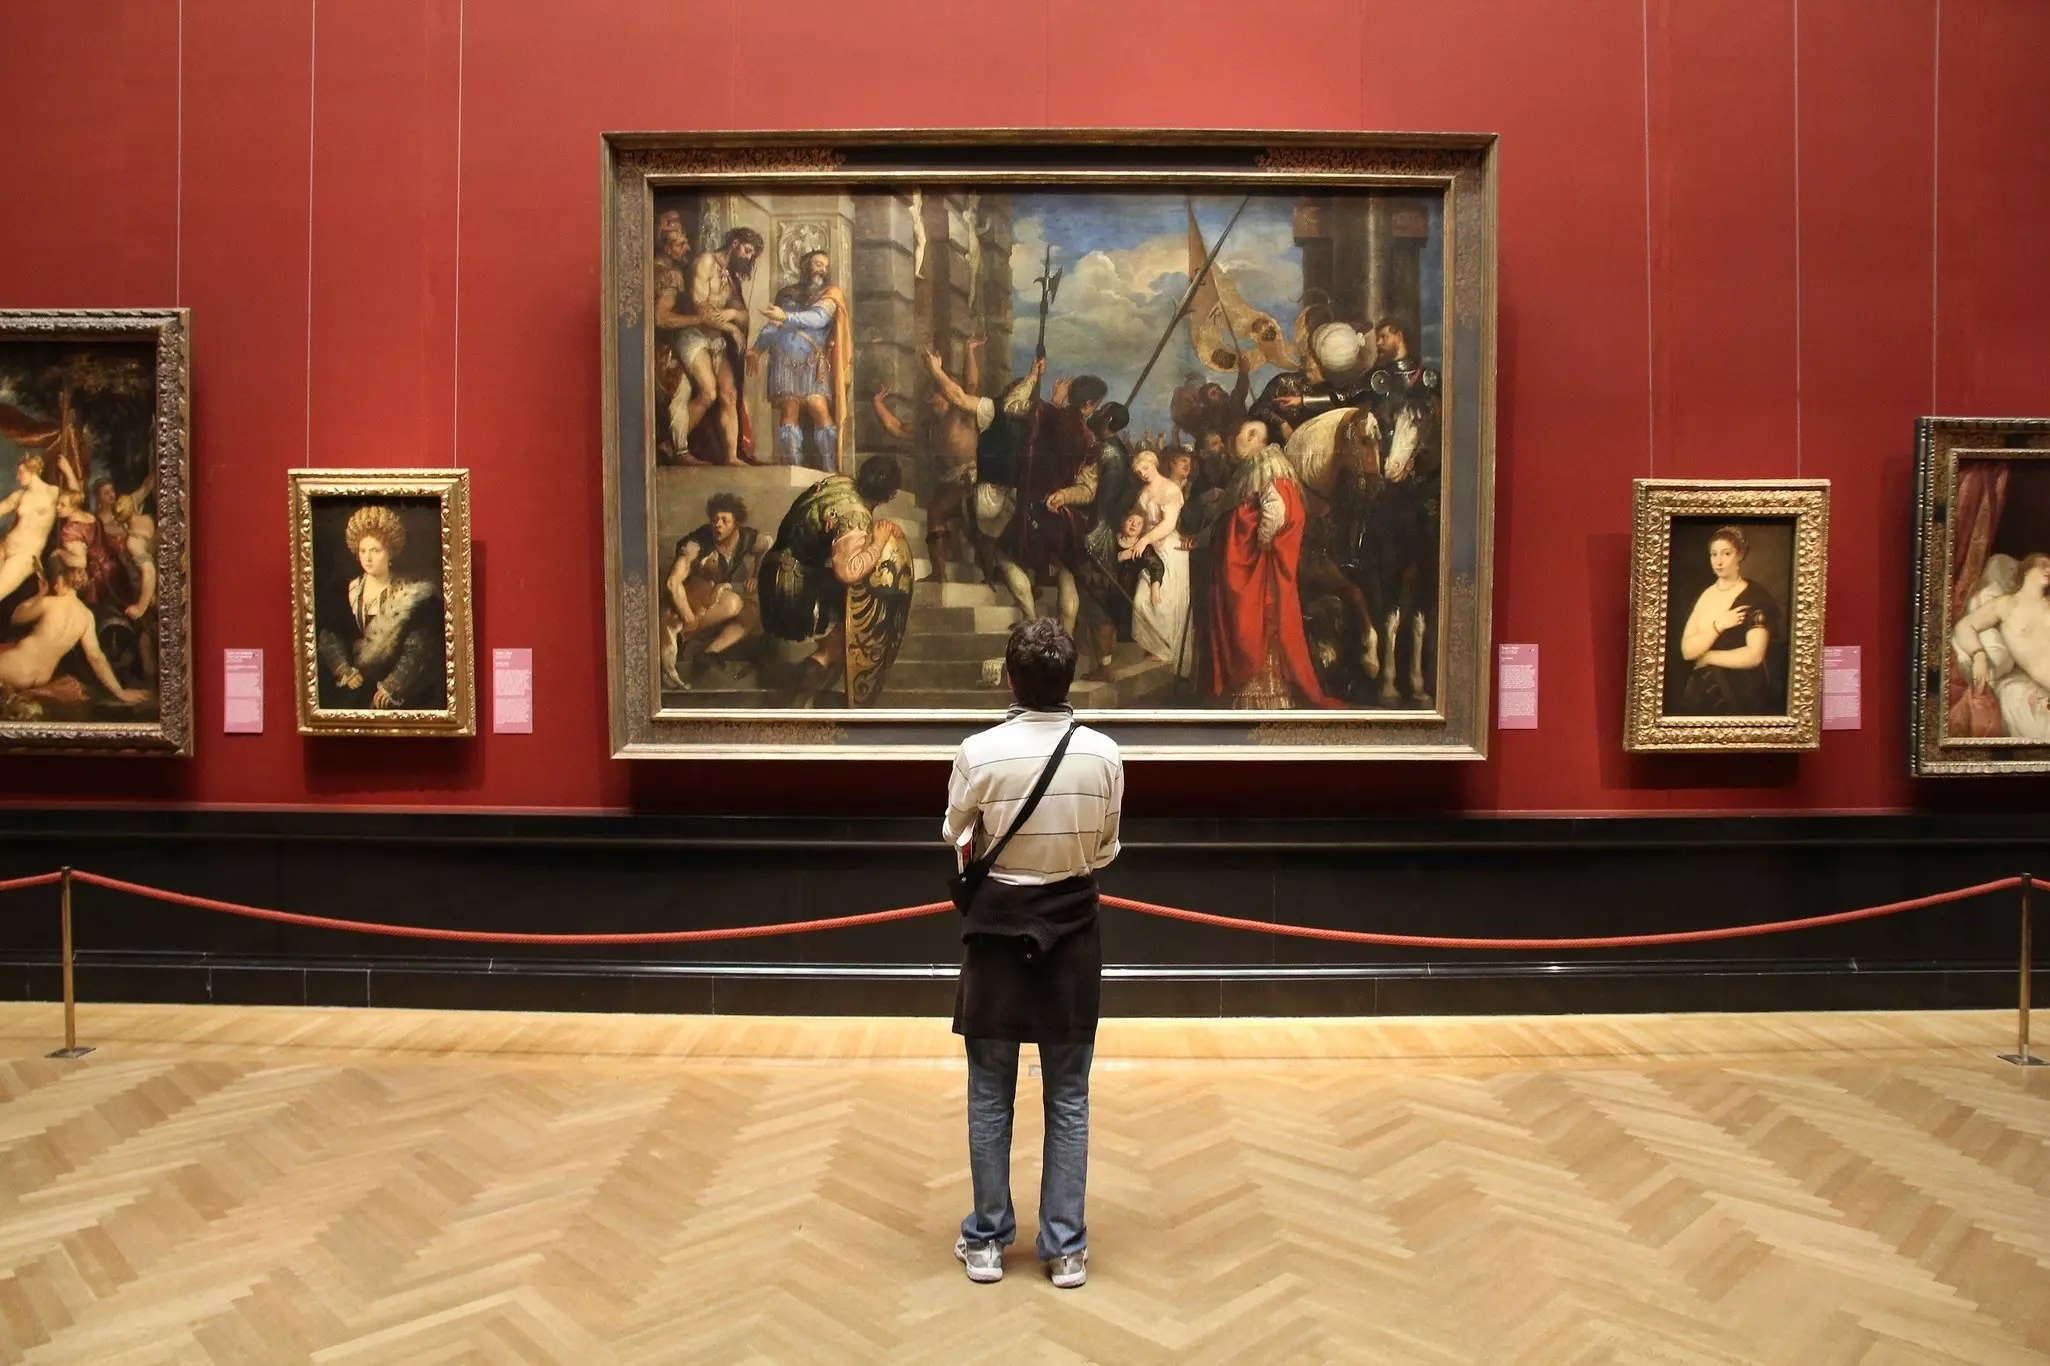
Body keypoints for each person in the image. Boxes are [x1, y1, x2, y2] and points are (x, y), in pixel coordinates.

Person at [943, 618, 1123, 1290]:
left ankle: (987, 1241)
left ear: (1010, 677)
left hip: (995, 933)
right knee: (1069, 1094)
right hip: (1073, 930)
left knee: (990, 1092)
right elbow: (1105, 849)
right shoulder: (1104, 753)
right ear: (1068, 678)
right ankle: (1066, 1248)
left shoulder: (978, 751)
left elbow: (955, 834)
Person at [1207, 418, 1339, 708]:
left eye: (1239, 434)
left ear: (1254, 435)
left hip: (1258, 570)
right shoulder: (1255, 467)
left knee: (1259, 627)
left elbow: (1276, 512)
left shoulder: (1269, 465)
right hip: (1248, 566)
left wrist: (1259, 546)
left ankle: (1265, 700)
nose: (1234, 442)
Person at [758, 455, 904, 704]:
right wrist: (878, 542)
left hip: (774, 573)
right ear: (890, 495)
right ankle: (795, 703)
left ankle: (802, 700)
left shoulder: (837, 483)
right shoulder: (856, 516)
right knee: (842, 643)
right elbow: (849, 570)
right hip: (791, 585)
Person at [871, 339, 992, 581]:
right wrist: (876, 404)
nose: (933, 401)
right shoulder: (929, 427)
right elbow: (897, 428)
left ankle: (987, 572)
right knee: (936, 512)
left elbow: (972, 385)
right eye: (931, 398)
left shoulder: (962, 414)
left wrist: (968, 352)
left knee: (974, 529)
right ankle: (939, 573)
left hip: (974, 480)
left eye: (937, 396)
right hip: (952, 483)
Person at [316, 505, 446, 710]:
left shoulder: (411, 595)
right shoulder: (344, 591)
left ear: (390, 553)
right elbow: (329, 635)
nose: (367, 558)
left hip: (391, 697)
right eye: (363, 550)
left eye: (376, 550)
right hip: (348, 694)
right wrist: (344, 670)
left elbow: (418, 648)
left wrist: (393, 684)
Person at [749, 249, 853, 471]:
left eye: (825, 265)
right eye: (817, 264)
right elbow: (773, 325)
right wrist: (757, 350)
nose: (821, 269)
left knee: (818, 407)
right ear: (805, 267)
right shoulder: (787, 293)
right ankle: (793, 467)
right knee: (789, 409)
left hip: (813, 362)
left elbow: (818, 318)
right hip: (784, 360)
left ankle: (830, 470)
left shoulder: (830, 293)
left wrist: (785, 316)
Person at [668, 226, 763, 466]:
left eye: (752, 254)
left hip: (715, 340)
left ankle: (731, 456)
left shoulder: (730, 277)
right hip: (694, 335)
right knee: (708, 393)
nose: (748, 257)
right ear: (735, 243)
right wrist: (730, 326)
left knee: (729, 394)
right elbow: (700, 307)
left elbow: (744, 317)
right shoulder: (706, 261)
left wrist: (731, 312)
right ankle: (672, 446)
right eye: (748, 250)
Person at [0, 552, 149, 705]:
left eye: (56, 581)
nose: (54, 586)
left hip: (17, 668)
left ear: (61, 580)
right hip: (41, 678)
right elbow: (96, 658)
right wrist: (120, 692)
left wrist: (40, 594)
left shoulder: (49, 603)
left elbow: (17, 617)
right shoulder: (86, 616)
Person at [1674, 525, 1783, 716]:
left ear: (1739, 555)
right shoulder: (1705, 595)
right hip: (1701, 691)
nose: (1719, 561)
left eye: (1726, 553)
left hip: (1740, 692)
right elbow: (1687, 650)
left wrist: (1707, 657)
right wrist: (1719, 625)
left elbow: (1754, 655)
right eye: (1714, 554)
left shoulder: (1755, 597)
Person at [663, 492, 765, 686]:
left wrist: (755, 575)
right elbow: (672, 583)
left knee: (752, 613)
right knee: (733, 603)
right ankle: (686, 641)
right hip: (687, 604)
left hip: (714, 598)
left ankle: (710, 652)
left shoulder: (748, 538)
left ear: (736, 524)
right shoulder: (695, 544)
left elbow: (766, 547)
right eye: (715, 519)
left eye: (724, 520)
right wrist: (689, 618)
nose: (717, 524)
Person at [1952, 552, 2050, 738]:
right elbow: (1965, 626)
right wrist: (1979, 654)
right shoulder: (2004, 606)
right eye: (2043, 564)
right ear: (2027, 570)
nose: (2049, 570)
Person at [1125, 449, 1192, 676]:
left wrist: (1146, 539)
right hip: (1150, 550)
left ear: (1154, 464)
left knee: (1164, 602)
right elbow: (1139, 519)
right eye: (1139, 471)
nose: (1143, 474)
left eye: (1146, 468)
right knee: (1142, 600)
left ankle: (1167, 654)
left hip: (1169, 551)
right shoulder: (1143, 493)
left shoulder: (1170, 490)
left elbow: (1169, 524)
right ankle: (1155, 647)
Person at [0, 454, 60, 604]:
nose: (17, 477)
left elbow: (76, 497)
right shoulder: (19, 496)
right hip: (4, 549)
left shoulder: (52, 493)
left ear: (33, 470)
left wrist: (67, 470)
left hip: (25, 556)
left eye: (21, 472)